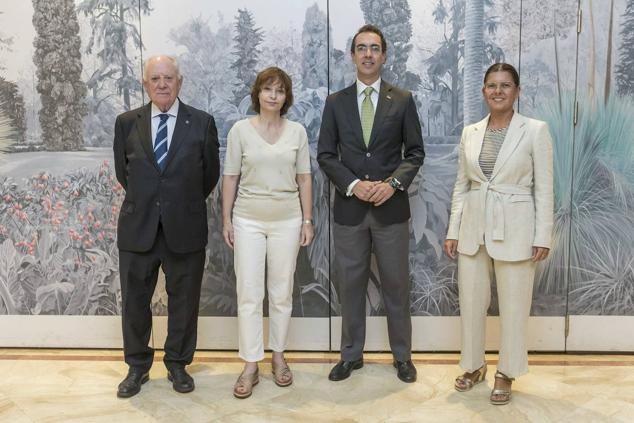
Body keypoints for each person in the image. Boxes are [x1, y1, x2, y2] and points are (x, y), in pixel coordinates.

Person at [317, 24, 425, 383]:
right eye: (361, 48)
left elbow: (415, 153)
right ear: (352, 56)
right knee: (350, 286)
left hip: (390, 211)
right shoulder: (335, 102)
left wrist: (392, 184)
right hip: (350, 210)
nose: (367, 54)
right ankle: (351, 356)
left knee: (396, 284)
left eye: (374, 48)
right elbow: (326, 155)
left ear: (384, 55)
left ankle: (403, 357)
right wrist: (353, 185)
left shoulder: (404, 99)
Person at [444, 63, 554, 405]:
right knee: (472, 302)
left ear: (517, 91)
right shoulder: (471, 132)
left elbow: (545, 188)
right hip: (473, 228)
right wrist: (453, 230)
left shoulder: (535, 130)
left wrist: (543, 235)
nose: (498, 91)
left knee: (513, 305)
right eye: (491, 85)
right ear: (483, 91)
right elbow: (461, 186)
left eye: (505, 85)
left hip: (518, 227)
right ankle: (474, 366)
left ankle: (506, 372)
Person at [113, 55, 220, 398]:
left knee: (184, 302)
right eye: (155, 78)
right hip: (138, 228)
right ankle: (137, 367)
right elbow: (123, 173)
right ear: (146, 84)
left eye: (168, 78)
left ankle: (177, 364)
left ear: (180, 82)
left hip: (185, 227)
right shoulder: (127, 122)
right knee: (134, 302)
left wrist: (178, 201)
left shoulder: (201, 123)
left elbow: (209, 176)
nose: (162, 84)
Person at [222, 67, 314, 399]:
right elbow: (230, 177)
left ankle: (278, 357)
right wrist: (227, 220)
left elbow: (304, 177)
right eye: (267, 89)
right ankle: (250, 364)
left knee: (281, 292)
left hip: (288, 221)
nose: (273, 95)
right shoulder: (240, 131)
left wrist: (307, 220)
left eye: (280, 90)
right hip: (247, 219)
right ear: (257, 94)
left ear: (286, 97)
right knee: (248, 293)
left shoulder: (297, 132)